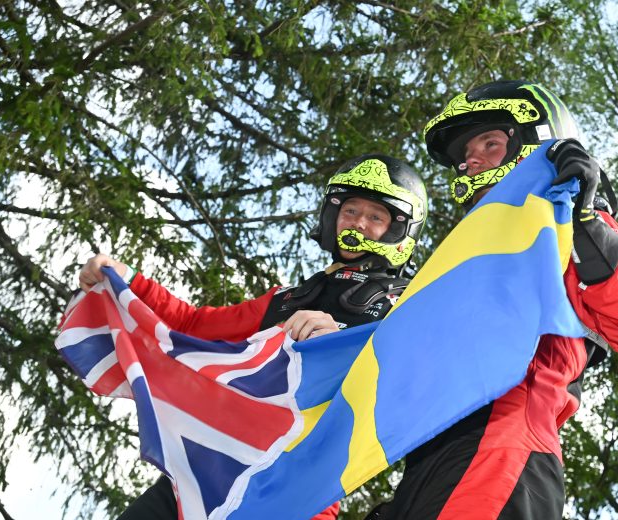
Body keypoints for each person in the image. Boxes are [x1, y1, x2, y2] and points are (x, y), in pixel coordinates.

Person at [367, 81, 618, 519]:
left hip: (503, 448)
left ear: (536, 140)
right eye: (465, 155)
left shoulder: (560, 223)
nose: (471, 161)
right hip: (425, 463)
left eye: (489, 144)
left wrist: (585, 222)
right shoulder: (461, 262)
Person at [78, 154, 428, 520]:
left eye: (375, 216)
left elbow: (411, 396)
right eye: (351, 210)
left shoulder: (407, 307)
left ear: (399, 230)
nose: (358, 222)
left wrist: (341, 343)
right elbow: (192, 325)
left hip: (294, 489)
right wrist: (128, 280)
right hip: (208, 470)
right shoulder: (287, 299)